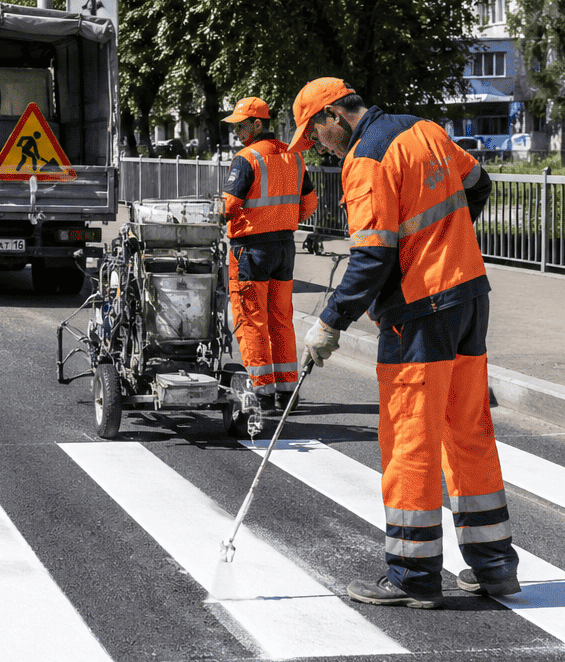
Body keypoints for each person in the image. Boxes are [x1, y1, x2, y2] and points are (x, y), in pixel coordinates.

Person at [291, 77, 518, 609]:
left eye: (317, 134)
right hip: (468, 295)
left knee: (411, 438)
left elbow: (372, 256)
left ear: (335, 117)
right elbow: (480, 185)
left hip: (419, 314)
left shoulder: (366, 159)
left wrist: (331, 321)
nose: (320, 146)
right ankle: (494, 567)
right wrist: (444, 240)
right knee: (468, 430)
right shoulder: (426, 130)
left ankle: (413, 576)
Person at [220, 96, 318, 413]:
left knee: (252, 321)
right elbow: (310, 203)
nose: (236, 131)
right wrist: (284, 219)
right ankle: (287, 392)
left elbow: (230, 206)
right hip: (284, 248)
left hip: (251, 251)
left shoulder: (246, 158)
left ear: (257, 124)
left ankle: (262, 391)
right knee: (281, 318)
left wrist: (220, 217)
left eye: (240, 125)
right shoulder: (294, 157)